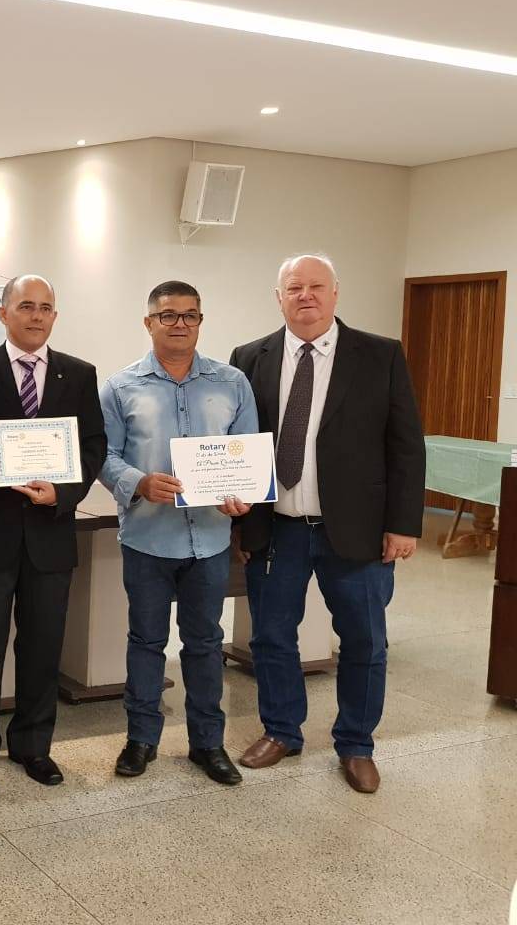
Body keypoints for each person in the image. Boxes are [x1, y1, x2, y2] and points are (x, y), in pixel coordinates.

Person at [230, 254, 425, 794]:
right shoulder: (249, 357)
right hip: (278, 529)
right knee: (271, 637)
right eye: (294, 287)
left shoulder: (380, 355)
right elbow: (238, 442)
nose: (306, 295)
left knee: (364, 641)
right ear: (279, 298)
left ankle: (357, 744)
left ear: (335, 293)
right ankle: (281, 730)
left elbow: (406, 445)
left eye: (316, 286)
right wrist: (239, 521)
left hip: (358, 532)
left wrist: (403, 524)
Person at [98, 280, 256, 786]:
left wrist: (242, 494)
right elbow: (103, 455)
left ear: (200, 322)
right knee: (146, 641)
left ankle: (207, 743)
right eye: (168, 315)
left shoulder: (232, 383)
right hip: (148, 538)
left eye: (190, 315)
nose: (180, 324)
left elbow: (248, 453)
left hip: (210, 540)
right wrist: (138, 482)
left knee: (205, 643)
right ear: (149, 322)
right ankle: (141, 739)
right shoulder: (120, 387)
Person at [0, 275, 107, 788]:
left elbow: (93, 446)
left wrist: (62, 494)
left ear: (54, 316)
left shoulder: (78, 374)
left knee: (43, 647)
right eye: (26, 306)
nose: (36, 316)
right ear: (3, 313)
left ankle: (33, 745)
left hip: (51, 533)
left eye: (46, 307)